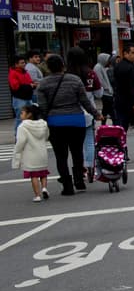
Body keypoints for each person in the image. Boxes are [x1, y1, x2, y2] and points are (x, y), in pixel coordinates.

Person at [36, 53, 101, 195]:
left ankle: (67, 185)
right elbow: (85, 101)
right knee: (77, 153)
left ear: (48, 68)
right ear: (63, 66)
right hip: (76, 120)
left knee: (61, 155)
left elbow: (43, 107)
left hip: (55, 122)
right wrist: (96, 114)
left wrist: (42, 120)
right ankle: (79, 181)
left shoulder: (43, 84)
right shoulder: (75, 80)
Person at [12, 104, 50, 202]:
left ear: (29, 115)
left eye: (22, 113)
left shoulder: (23, 126)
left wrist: (17, 152)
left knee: (34, 175)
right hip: (42, 153)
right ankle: (44, 188)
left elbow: (20, 142)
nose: (20, 115)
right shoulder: (43, 124)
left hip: (30, 154)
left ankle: (37, 195)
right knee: (43, 173)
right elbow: (46, 136)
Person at [9, 56, 35, 136]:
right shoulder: (13, 73)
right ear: (16, 64)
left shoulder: (25, 72)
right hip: (19, 99)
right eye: (22, 63)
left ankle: (28, 135)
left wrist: (32, 85)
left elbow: (30, 82)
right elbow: (15, 86)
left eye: (24, 62)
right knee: (20, 118)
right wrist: (29, 86)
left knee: (30, 117)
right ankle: (18, 136)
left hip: (28, 98)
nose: (24, 64)